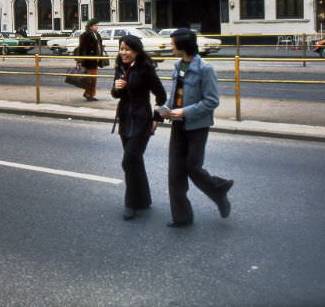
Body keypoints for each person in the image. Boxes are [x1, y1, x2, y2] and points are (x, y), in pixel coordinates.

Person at [160, 28, 233, 228]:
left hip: (197, 126)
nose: (170, 46)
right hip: (178, 124)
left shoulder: (205, 68)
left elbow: (211, 101)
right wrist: (167, 108)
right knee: (175, 172)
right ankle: (181, 217)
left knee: (193, 167)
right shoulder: (177, 65)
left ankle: (219, 190)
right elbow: (175, 94)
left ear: (183, 45)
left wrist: (184, 112)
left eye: (173, 43)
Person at [111, 35, 167, 221]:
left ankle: (131, 203)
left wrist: (157, 118)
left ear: (136, 51)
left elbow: (161, 94)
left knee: (129, 161)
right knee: (135, 161)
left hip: (142, 120)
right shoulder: (120, 66)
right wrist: (116, 87)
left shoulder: (146, 69)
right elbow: (116, 95)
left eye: (127, 49)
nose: (123, 53)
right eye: (121, 49)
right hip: (125, 119)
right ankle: (144, 199)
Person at [74, 18, 107, 101]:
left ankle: (89, 94)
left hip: (95, 59)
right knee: (91, 79)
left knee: (93, 78)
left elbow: (98, 45)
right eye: (95, 25)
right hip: (89, 60)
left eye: (97, 25)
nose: (97, 27)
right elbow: (81, 48)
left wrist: (101, 48)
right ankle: (89, 94)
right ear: (91, 26)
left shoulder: (97, 34)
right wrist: (79, 61)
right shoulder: (85, 35)